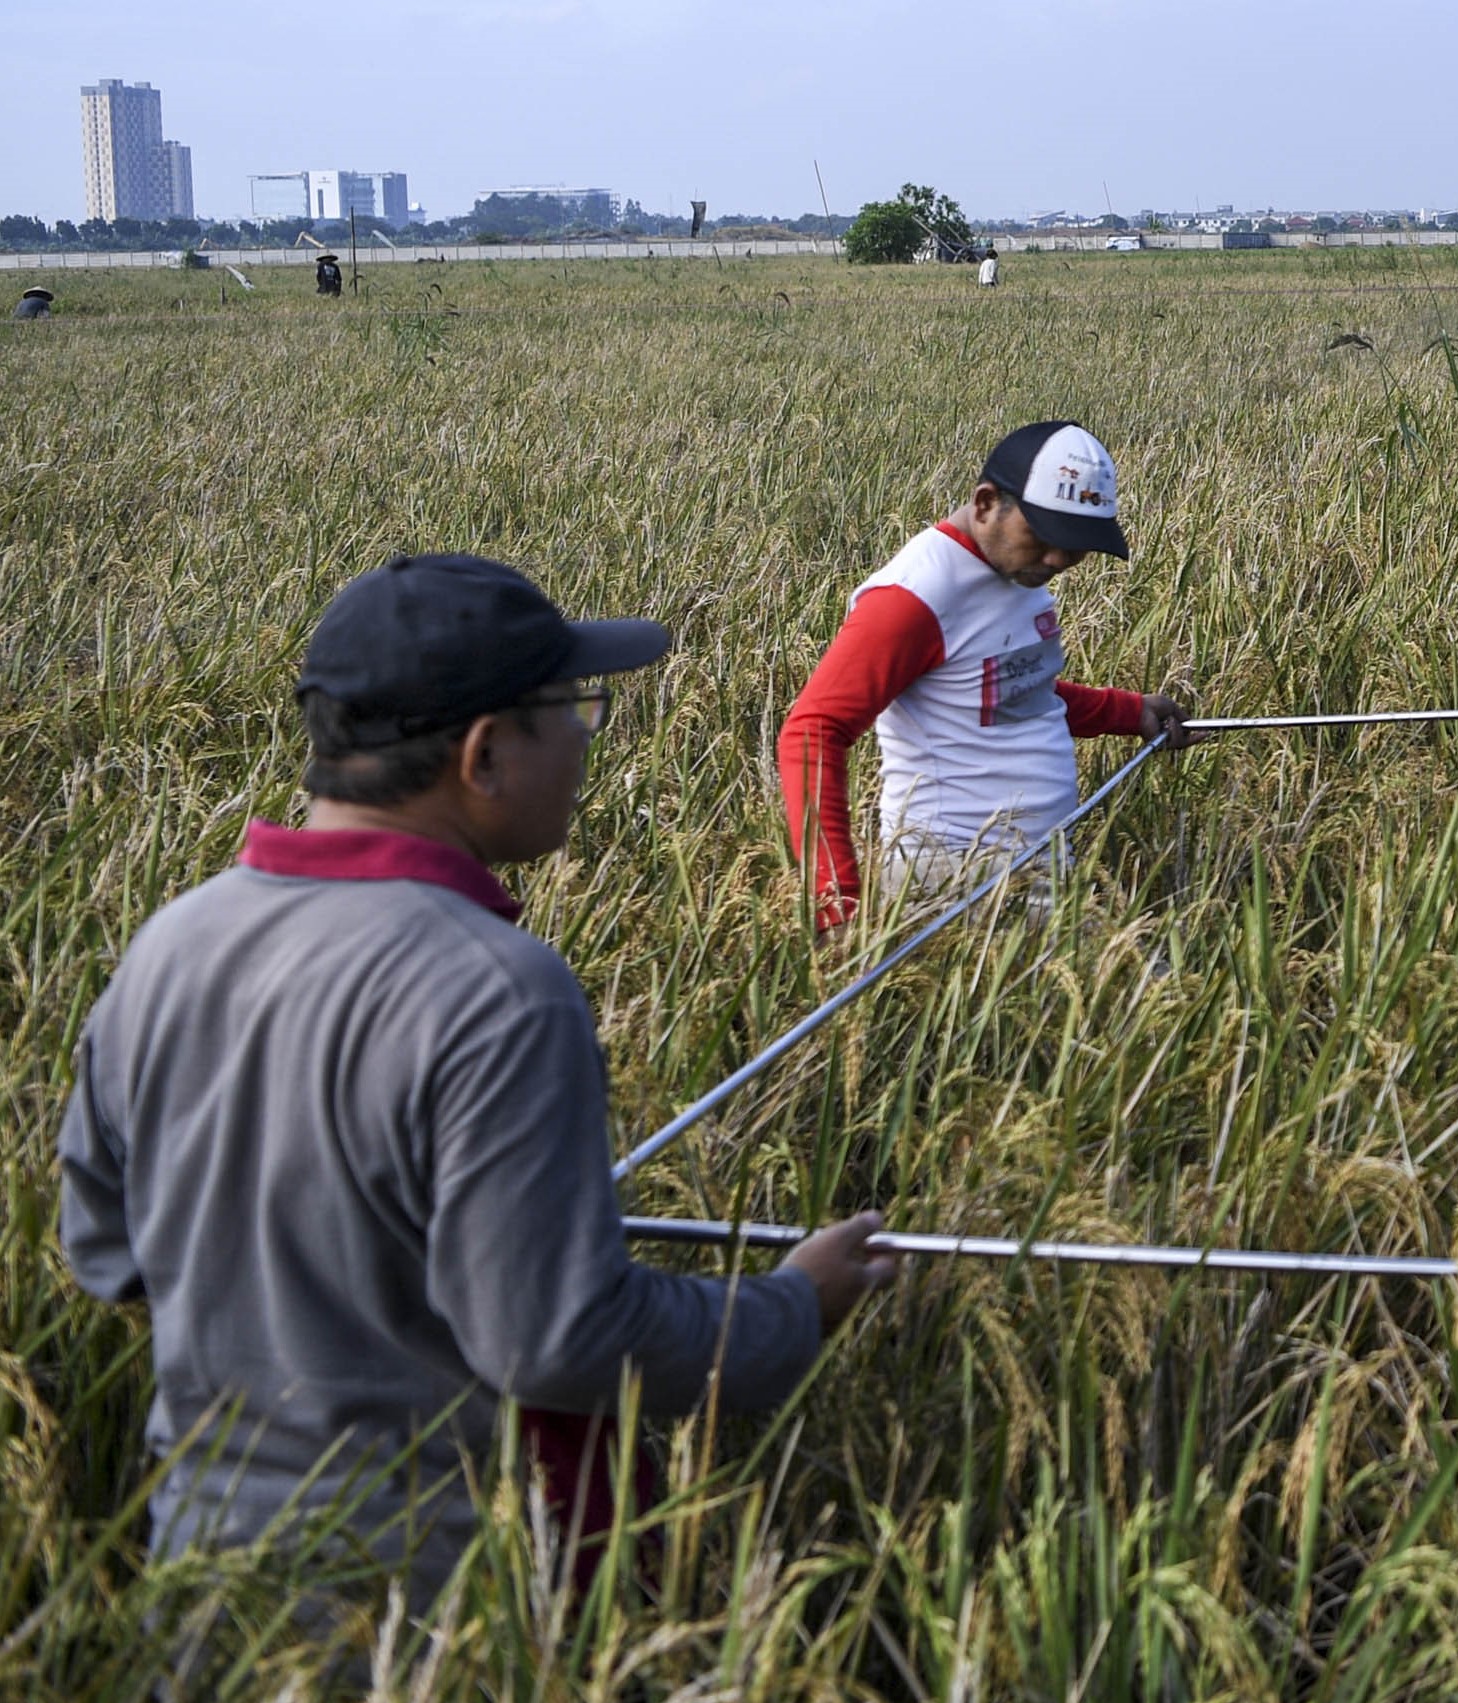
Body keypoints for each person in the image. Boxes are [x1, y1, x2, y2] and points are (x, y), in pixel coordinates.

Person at [59, 555, 899, 1603]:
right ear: (486, 753)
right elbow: (559, 1340)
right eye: (572, 710)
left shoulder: (169, 947)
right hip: (431, 1610)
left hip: (203, 1575)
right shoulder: (495, 989)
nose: (588, 740)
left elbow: (104, 1251)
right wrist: (787, 1310)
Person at [779, 420, 1191, 927]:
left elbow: (1009, 688)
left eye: (1077, 544)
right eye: (1042, 535)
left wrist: (1129, 712)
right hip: (957, 876)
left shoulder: (1016, 570)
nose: (1059, 558)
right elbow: (812, 731)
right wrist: (835, 907)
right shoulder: (915, 598)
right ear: (985, 503)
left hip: (1034, 869)